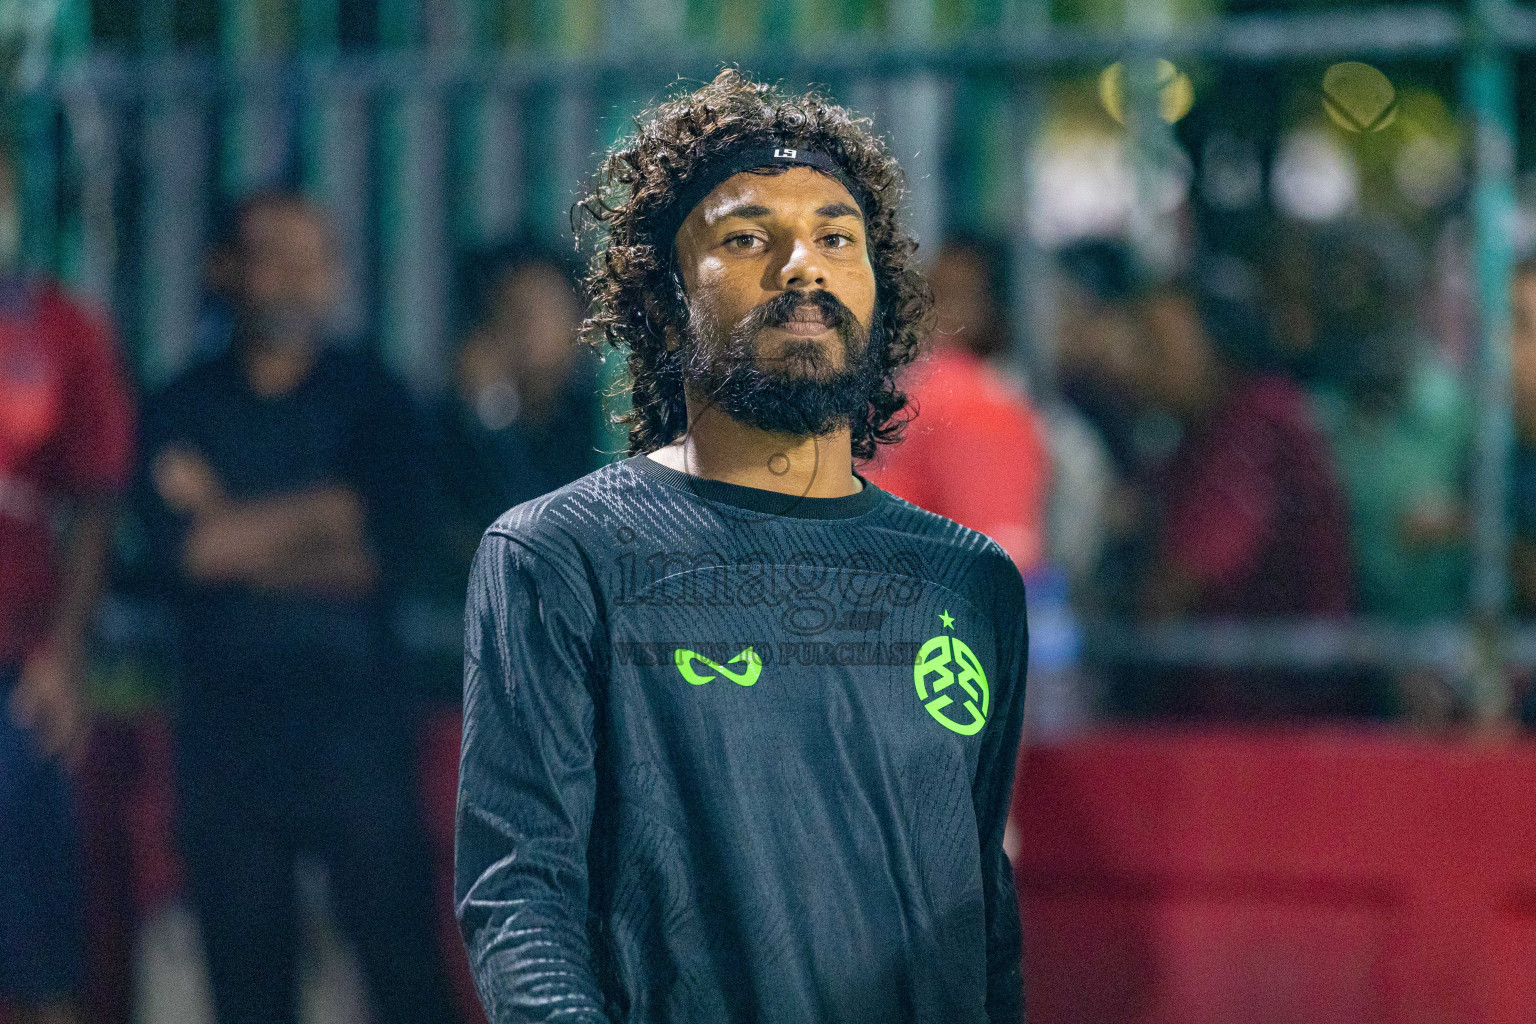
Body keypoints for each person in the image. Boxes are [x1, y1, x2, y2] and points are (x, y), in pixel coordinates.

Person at [456, 69, 1029, 1023]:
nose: (803, 266)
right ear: (662, 298)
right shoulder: (559, 558)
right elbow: (521, 897)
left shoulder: (969, 582)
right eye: (748, 237)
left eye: (837, 238)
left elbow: (983, 922)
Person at [136, 191, 456, 1024]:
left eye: (313, 257)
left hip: (359, 738)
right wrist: (328, 515)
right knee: (247, 988)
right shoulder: (180, 403)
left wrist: (235, 526)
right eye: (273, 253)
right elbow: (188, 555)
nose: (295, 278)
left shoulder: (375, 399)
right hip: (228, 747)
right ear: (224, 270)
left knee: (405, 974)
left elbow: (384, 553)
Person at [0, 150, 136, 1024]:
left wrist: (63, 651)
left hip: (18, 678)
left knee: (39, 941)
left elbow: (95, 502)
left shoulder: (62, 330)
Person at [1125, 255, 1356, 719]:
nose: (1139, 362)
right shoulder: (1197, 431)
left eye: (1158, 344)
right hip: (1229, 707)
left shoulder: (1261, 419)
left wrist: (1134, 613)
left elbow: (1192, 571)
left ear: (1219, 344)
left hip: (1279, 718)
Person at [862, 233, 1052, 574]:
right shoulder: (905, 387)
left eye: (954, 297)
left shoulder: (985, 409)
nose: (925, 309)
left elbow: (997, 565)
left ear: (995, 313)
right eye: (926, 290)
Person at [436, 236, 604, 577]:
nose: (529, 327)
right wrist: (490, 409)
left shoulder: (600, 424)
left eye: (545, 308)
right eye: (512, 310)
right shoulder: (451, 422)